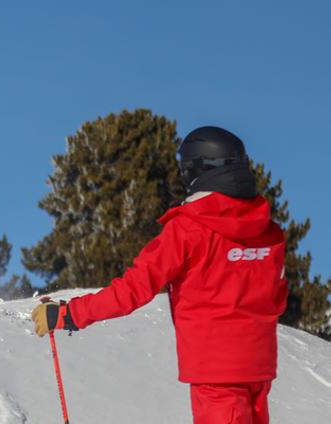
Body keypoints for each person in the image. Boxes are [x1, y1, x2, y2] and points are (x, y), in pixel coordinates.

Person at [31, 126, 288, 424]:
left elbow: (134, 289)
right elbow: (276, 299)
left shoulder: (188, 229)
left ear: (195, 171)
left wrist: (70, 313)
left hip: (215, 376)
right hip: (259, 369)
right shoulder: (270, 232)